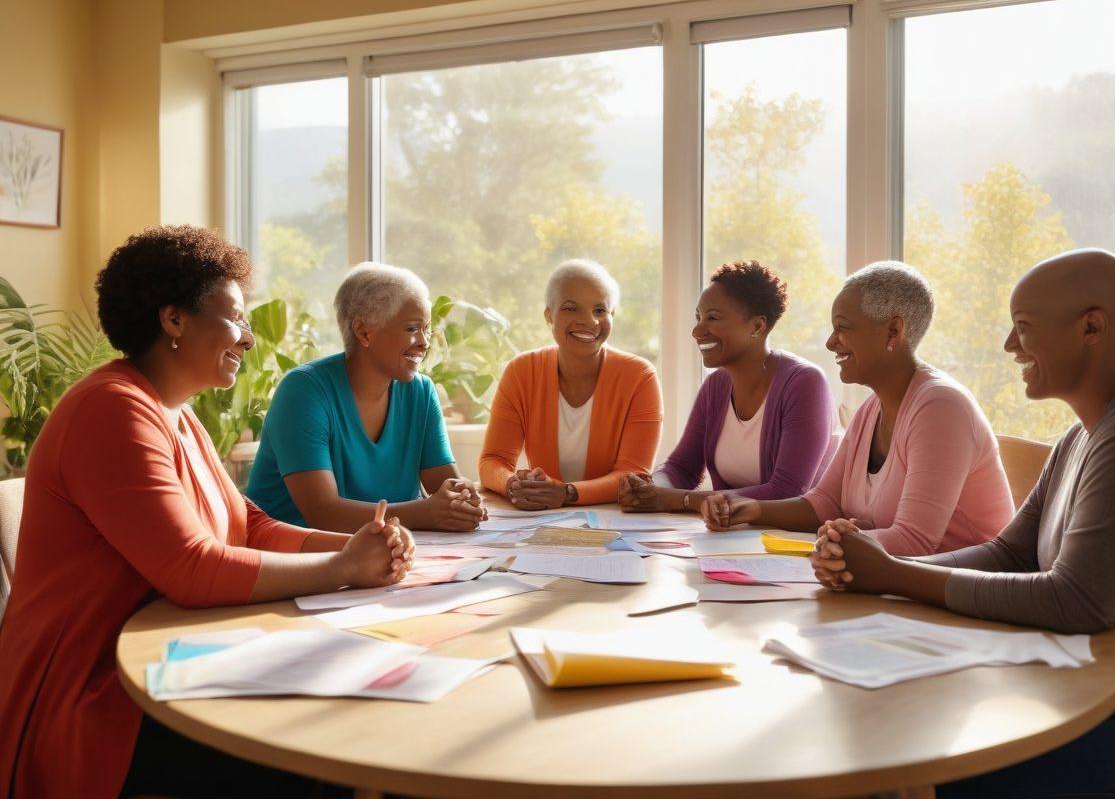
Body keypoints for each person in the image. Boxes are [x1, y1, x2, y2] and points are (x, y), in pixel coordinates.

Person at [0, 226, 411, 799]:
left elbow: (250, 525)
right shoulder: (111, 411)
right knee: (317, 750)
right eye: (235, 320)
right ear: (174, 320)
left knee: (347, 717)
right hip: (94, 692)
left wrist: (357, 546)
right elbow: (191, 569)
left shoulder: (177, 415)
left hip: (170, 657)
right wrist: (345, 567)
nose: (247, 339)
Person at [813, 250, 1115, 797]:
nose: (1008, 346)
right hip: (1085, 690)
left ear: (1092, 327)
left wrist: (894, 576)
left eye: (1023, 328)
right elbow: (1009, 554)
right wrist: (887, 568)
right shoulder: (1085, 434)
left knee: (910, 767)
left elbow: (1078, 602)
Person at [701, 261, 1013, 556]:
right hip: (897, 590)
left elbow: (915, 541)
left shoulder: (941, 407)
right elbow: (824, 503)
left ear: (894, 331)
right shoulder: (872, 408)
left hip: (957, 597)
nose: (830, 343)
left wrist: (837, 541)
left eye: (842, 327)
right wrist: (747, 508)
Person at [246, 263, 485, 532]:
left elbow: (443, 484)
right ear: (363, 332)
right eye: (411, 329)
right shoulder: (303, 391)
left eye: (426, 329)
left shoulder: (420, 391)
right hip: (292, 556)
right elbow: (323, 514)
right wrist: (426, 512)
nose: (424, 342)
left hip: (379, 551)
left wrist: (462, 499)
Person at [618, 261, 839, 515]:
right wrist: (650, 488)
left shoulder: (804, 383)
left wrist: (679, 500)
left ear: (757, 326)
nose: (697, 331)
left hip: (792, 541)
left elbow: (788, 490)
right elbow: (682, 468)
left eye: (712, 318)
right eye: (698, 318)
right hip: (731, 537)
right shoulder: (716, 386)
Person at [479, 259, 662, 508]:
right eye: (570, 308)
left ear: (613, 315)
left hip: (612, 518)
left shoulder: (640, 376)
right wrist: (514, 485)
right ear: (548, 315)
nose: (589, 321)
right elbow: (493, 460)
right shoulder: (521, 371)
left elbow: (633, 475)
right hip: (540, 518)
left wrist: (567, 493)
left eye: (600, 310)